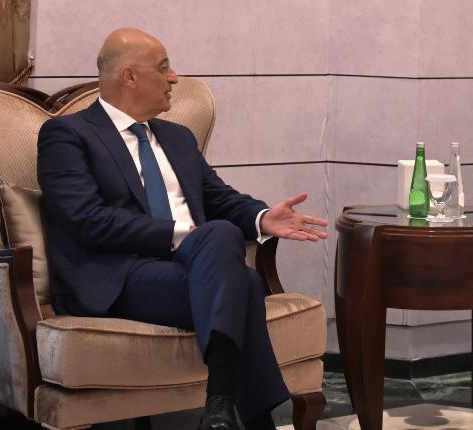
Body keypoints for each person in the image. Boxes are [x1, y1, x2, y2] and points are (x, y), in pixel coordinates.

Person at [37, 28, 329, 430]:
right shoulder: (68, 135)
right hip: (118, 274)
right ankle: (244, 413)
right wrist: (179, 233)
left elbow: (219, 198)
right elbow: (87, 219)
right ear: (129, 76)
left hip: (192, 266)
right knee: (243, 281)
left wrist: (262, 218)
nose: (174, 78)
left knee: (223, 237)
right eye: (164, 68)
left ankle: (220, 408)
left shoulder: (177, 137)